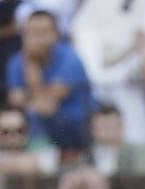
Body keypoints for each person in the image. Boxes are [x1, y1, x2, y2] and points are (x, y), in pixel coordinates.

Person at [70, 0, 145, 151]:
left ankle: (142, 159)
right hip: (97, 81)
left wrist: (139, 61)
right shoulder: (88, 9)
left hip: (130, 77)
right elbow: (89, 59)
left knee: (131, 89)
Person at [6, 10, 91, 153]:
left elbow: (45, 106)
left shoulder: (70, 58)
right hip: (37, 130)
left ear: (56, 35)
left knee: (38, 112)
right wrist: (29, 61)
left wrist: (30, 62)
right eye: (32, 32)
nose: (37, 38)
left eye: (43, 32)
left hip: (75, 130)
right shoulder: (15, 62)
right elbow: (15, 99)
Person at [86, 103, 145, 176]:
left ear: (122, 126)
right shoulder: (87, 155)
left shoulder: (139, 153)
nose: (108, 132)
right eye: (103, 127)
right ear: (93, 130)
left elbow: (144, 180)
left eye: (111, 126)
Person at [0, 102, 57, 173]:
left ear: (28, 132)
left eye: (20, 131)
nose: (13, 137)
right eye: (5, 132)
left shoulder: (41, 146)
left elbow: (49, 166)